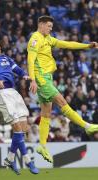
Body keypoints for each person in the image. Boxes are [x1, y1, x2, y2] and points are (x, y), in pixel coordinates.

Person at [27, 15, 98, 163]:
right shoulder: (35, 38)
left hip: (47, 78)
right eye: (49, 26)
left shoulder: (48, 39)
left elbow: (67, 44)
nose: (50, 29)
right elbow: (30, 59)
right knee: (61, 101)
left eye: (51, 27)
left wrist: (87, 46)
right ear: (41, 25)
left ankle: (42, 146)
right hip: (41, 78)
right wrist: (33, 79)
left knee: (46, 113)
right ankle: (86, 126)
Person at [0, 36, 39, 175]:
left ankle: (10, 158)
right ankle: (28, 161)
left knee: (24, 128)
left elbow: (18, 69)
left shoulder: (6, 58)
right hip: (2, 93)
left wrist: (25, 75)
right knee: (18, 129)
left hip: (14, 92)